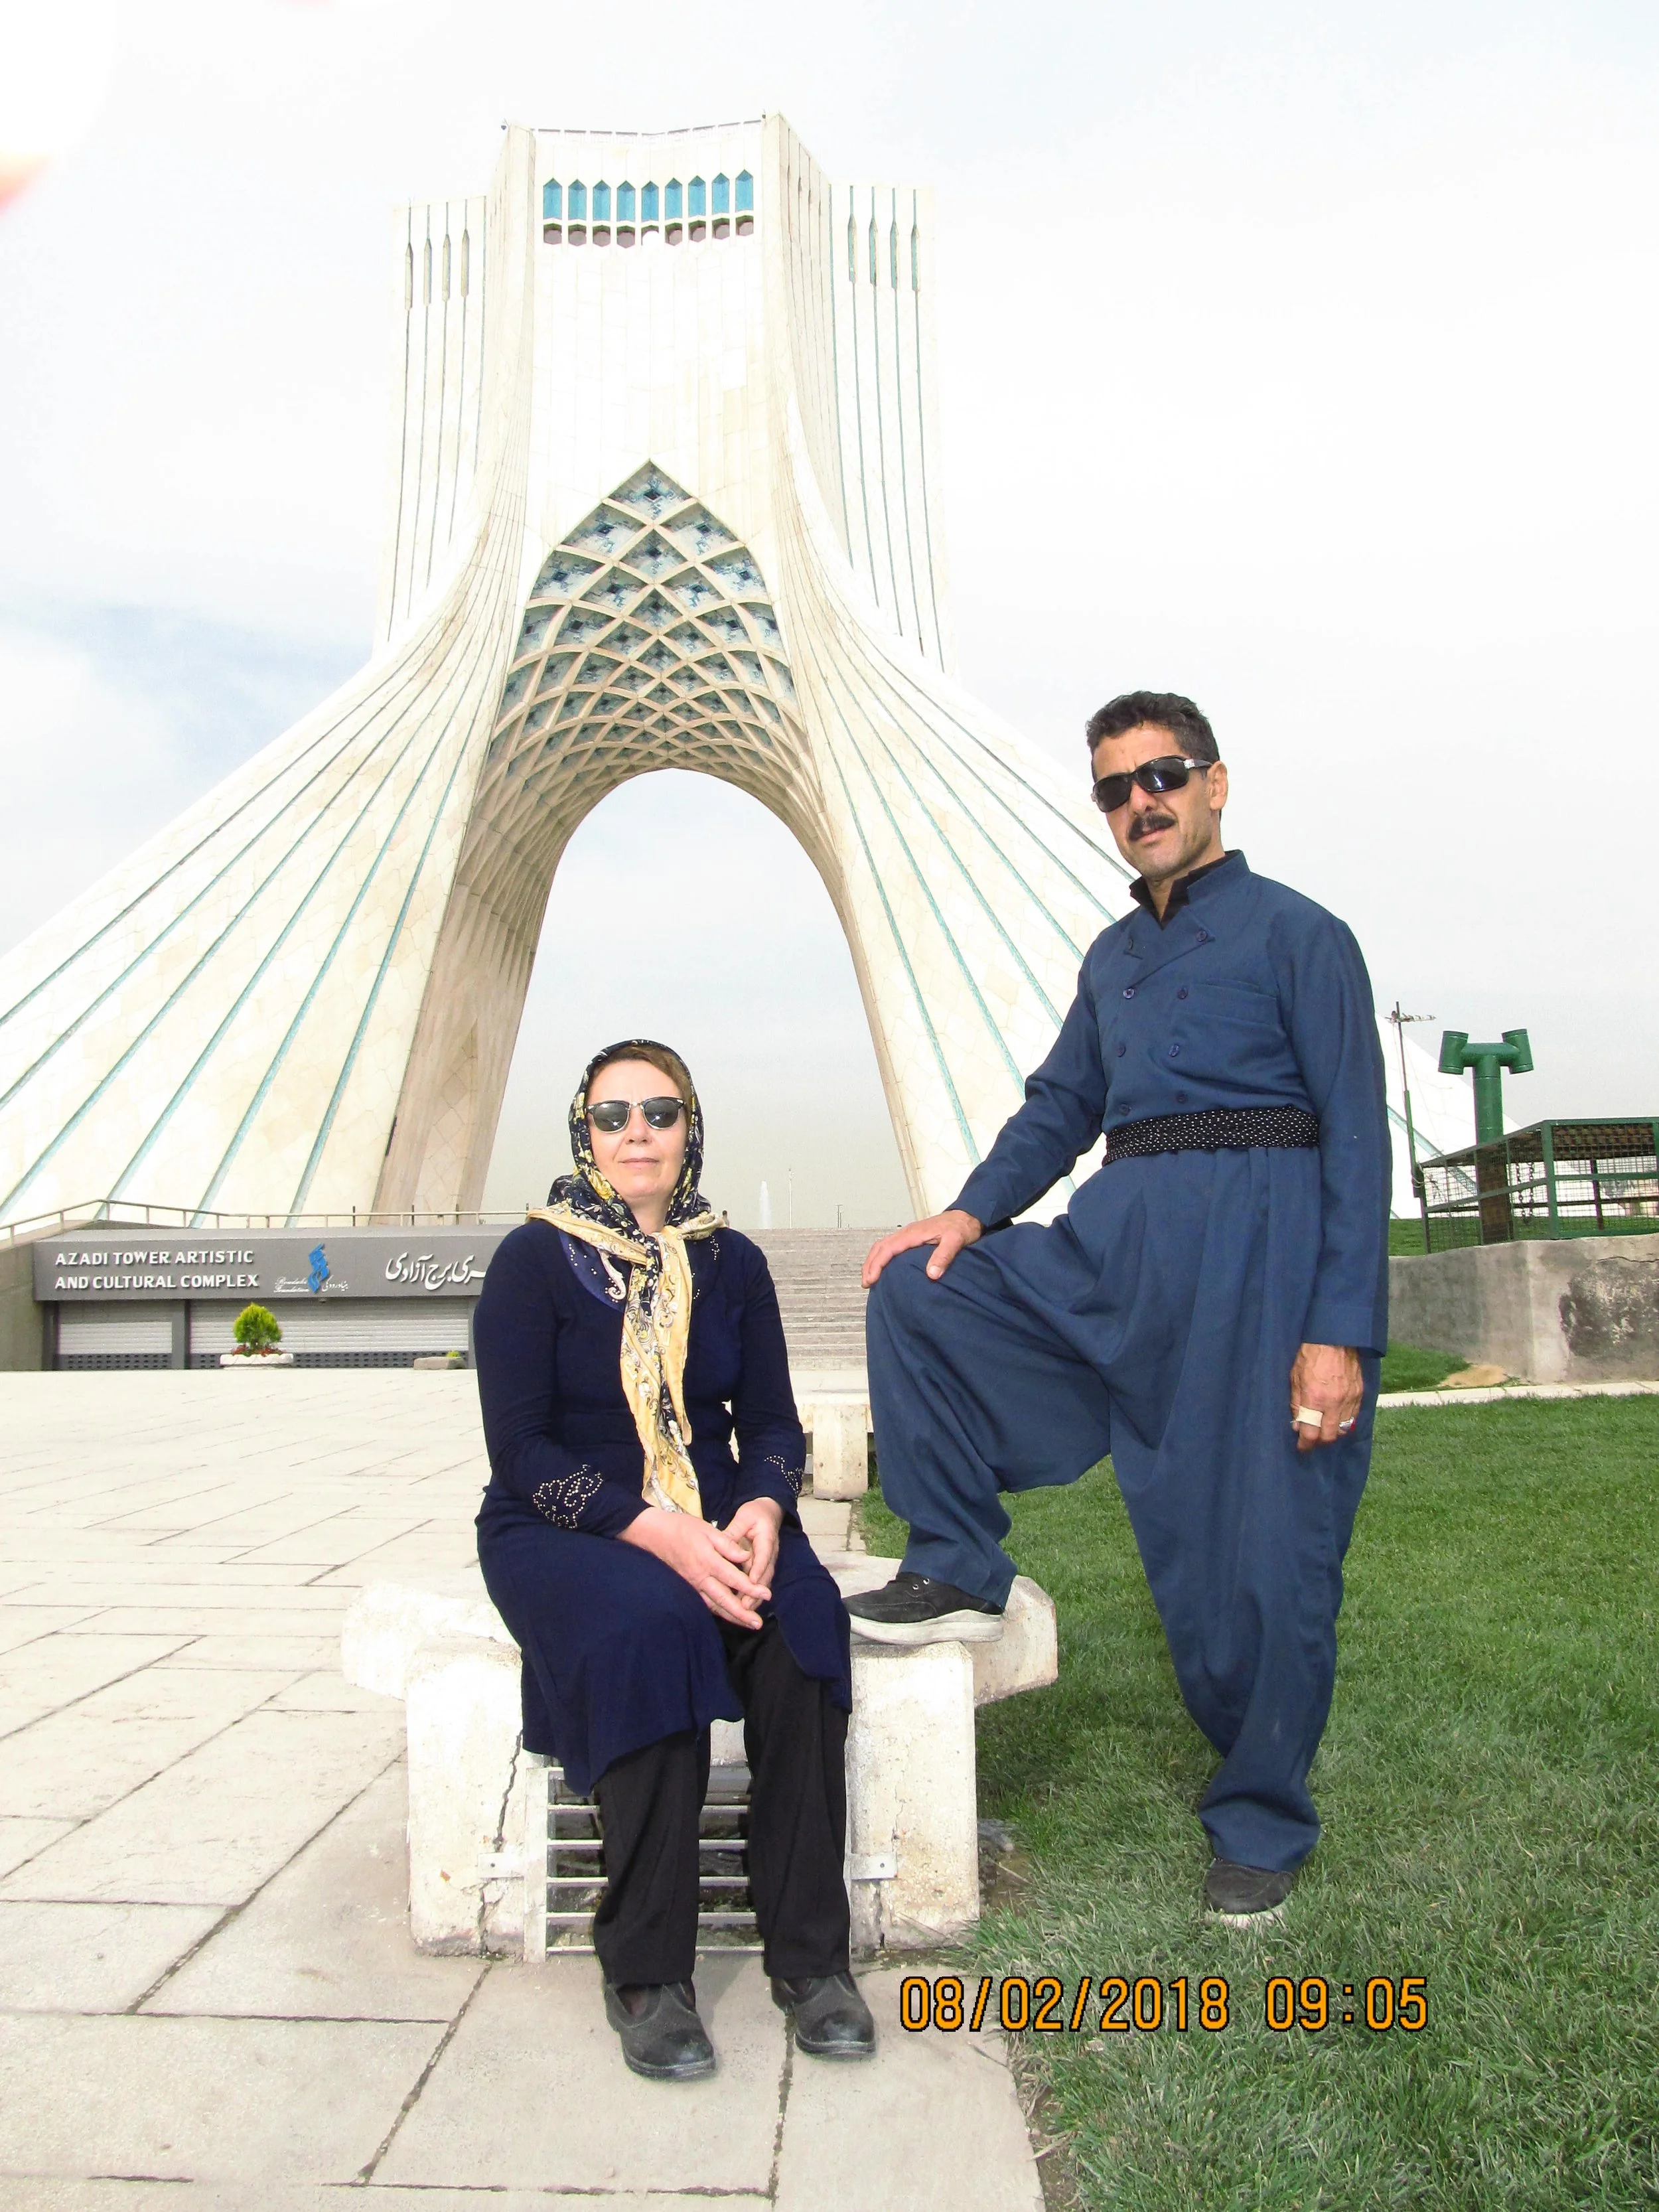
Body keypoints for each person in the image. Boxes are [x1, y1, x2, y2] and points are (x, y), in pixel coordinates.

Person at [845, 692, 1390, 1923]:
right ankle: (955, 1563)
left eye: (1164, 775)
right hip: (1119, 1248)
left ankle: (1260, 1817)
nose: (1142, 801)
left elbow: (1358, 1141)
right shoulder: (1112, 959)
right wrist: (968, 1214)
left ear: (1215, 783)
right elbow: (1059, 1107)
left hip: (1258, 1267)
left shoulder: (1303, 936)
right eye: (1115, 788)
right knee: (919, 1291)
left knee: (1262, 1561)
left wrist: (1338, 1332)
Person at [473, 1039, 873, 2077]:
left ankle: (811, 1957)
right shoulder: (532, 1260)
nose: (637, 1133)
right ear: (585, 1131)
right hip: (566, 1519)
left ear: (691, 1128)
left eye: (660, 1112)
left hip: (719, 1504)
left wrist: (765, 1510)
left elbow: (771, 1421)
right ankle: (648, 1968)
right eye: (613, 1116)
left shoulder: (732, 1262)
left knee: (801, 1624)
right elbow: (520, 1451)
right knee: (648, 1629)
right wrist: (655, 1531)